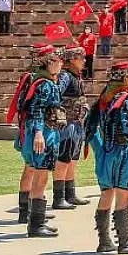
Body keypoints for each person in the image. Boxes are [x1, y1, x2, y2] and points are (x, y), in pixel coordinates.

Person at [83, 61, 128, 253]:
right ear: (125, 78)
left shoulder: (104, 98)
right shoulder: (126, 99)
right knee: (124, 194)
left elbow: (88, 126)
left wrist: (99, 148)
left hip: (106, 151)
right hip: (123, 152)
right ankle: (125, 242)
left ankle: (104, 241)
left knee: (106, 193)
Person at [10, 44, 64, 237]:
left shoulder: (42, 81)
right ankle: (35, 225)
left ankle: (35, 220)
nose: (61, 64)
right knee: (41, 176)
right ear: (49, 62)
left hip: (39, 131)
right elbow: (37, 110)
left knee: (38, 173)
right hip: (44, 133)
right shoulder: (45, 84)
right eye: (58, 60)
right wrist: (40, 133)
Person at [51, 47, 91, 211]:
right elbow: (56, 95)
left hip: (77, 123)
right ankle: (58, 197)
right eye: (81, 58)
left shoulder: (76, 76)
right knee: (63, 159)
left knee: (73, 159)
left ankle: (70, 194)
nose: (84, 61)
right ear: (72, 59)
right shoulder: (66, 76)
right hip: (67, 124)